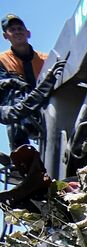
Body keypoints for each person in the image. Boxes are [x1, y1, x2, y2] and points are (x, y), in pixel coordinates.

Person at [0, 14, 61, 152]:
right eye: (12, 30)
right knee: (13, 97)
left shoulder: (46, 59)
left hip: (46, 105)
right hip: (20, 109)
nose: (17, 32)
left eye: (20, 28)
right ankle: (21, 156)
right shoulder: (2, 61)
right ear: (5, 36)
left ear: (28, 33)